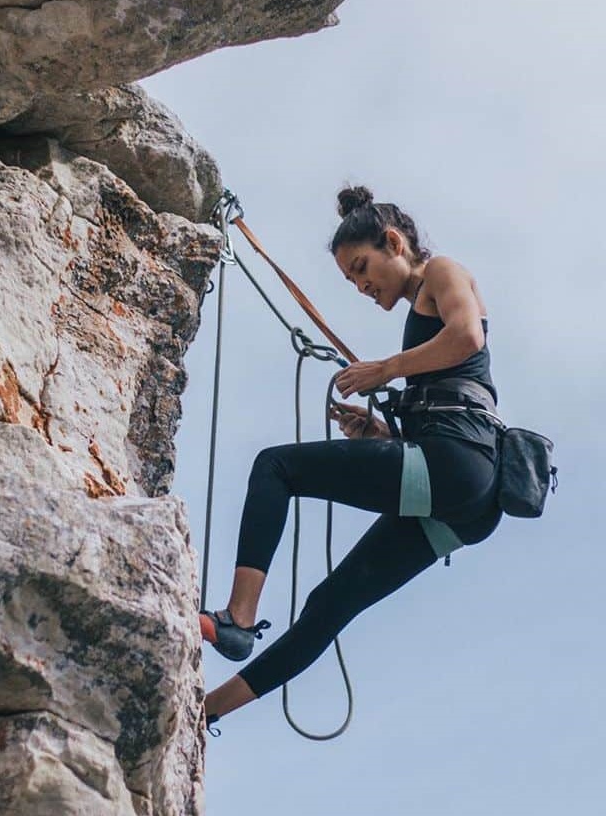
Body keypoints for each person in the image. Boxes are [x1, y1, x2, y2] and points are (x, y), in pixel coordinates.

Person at [200, 185, 504, 731]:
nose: (362, 286)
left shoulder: (442, 272)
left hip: (457, 462)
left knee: (275, 467)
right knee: (331, 604)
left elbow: (466, 337)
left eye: (363, 268)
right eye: (351, 280)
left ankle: (238, 619)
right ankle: (206, 712)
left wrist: (384, 369)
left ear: (395, 243)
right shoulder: (421, 310)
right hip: (464, 499)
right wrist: (378, 433)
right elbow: (452, 389)